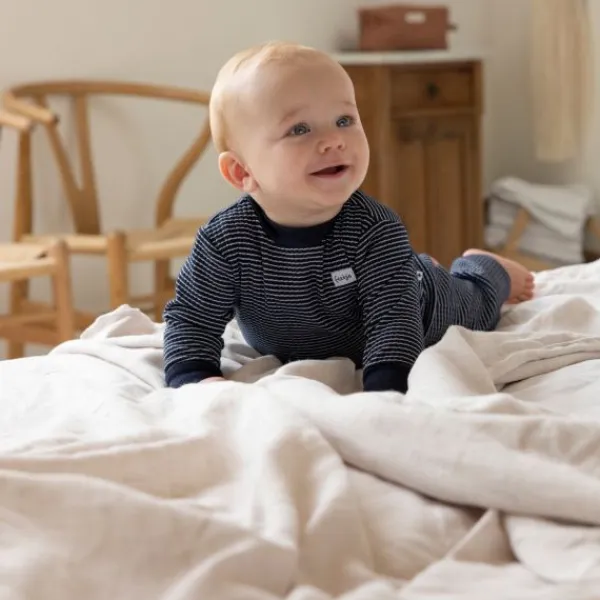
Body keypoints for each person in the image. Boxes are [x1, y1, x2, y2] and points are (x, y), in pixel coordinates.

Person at [162, 41, 534, 394]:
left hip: (423, 306)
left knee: (479, 305)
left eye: (344, 120)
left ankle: (486, 268)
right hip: (378, 287)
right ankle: (415, 267)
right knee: (399, 272)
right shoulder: (224, 241)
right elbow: (192, 317)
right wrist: (196, 377)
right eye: (300, 129)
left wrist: (385, 389)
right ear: (242, 172)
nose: (334, 140)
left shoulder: (375, 229)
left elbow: (394, 322)